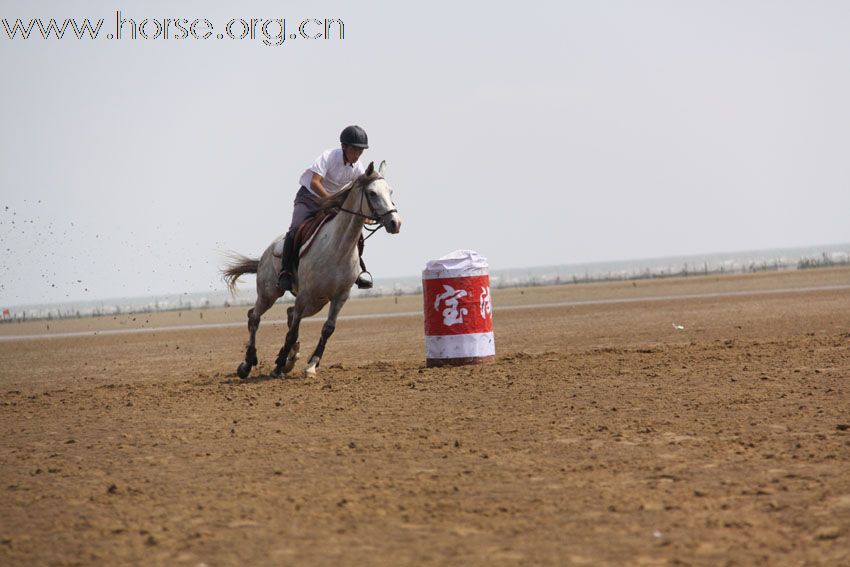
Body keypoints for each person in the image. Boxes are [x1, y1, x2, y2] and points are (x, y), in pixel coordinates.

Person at [277, 125, 373, 293]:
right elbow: (315, 182)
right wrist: (332, 200)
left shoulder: (358, 167)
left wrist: (365, 215)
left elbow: (361, 192)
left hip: (332, 203)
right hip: (309, 198)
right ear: (344, 147)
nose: (358, 154)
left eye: (361, 151)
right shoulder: (328, 156)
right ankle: (285, 272)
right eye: (355, 150)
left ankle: (357, 270)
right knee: (295, 229)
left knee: (354, 232)